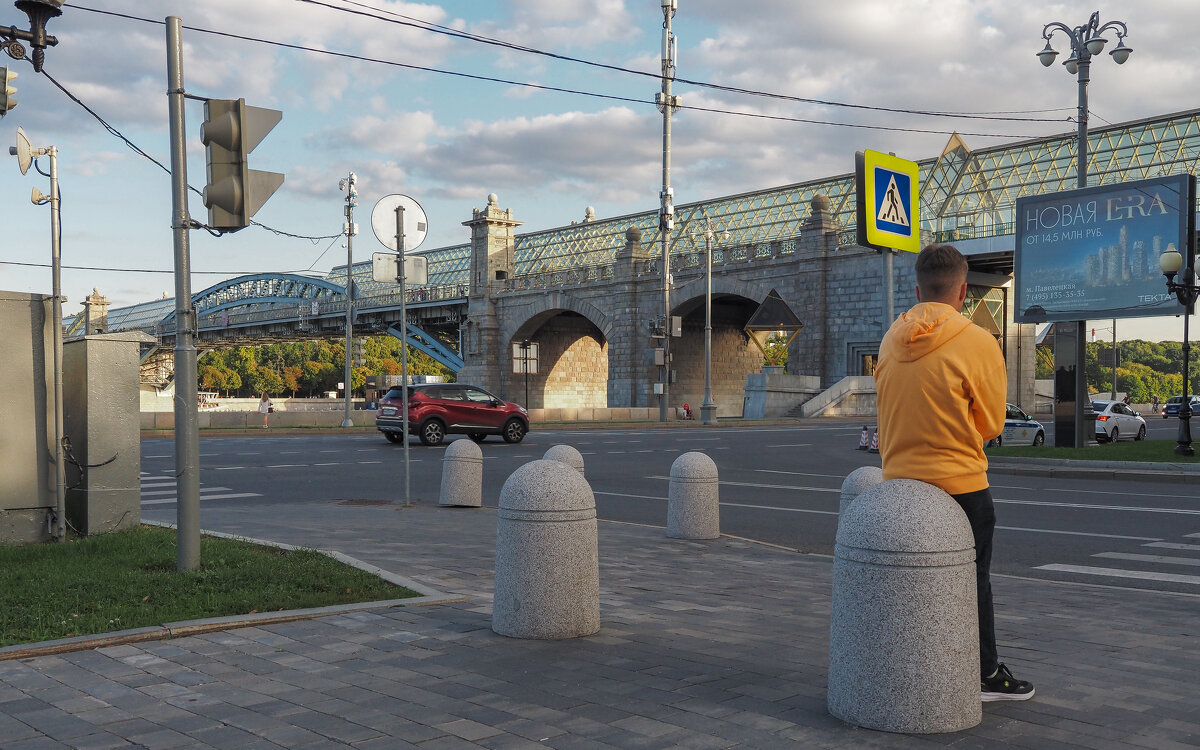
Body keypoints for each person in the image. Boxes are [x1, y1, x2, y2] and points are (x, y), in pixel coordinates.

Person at [874, 243, 1035, 703]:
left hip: (898, 484)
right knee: (972, 582)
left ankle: (907, 670)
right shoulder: (978, 341)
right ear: (963, 290)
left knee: (905, 583)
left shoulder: (889, 339)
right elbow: (992, 423)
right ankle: (984, 675)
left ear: (918, 286)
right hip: (961, 486)